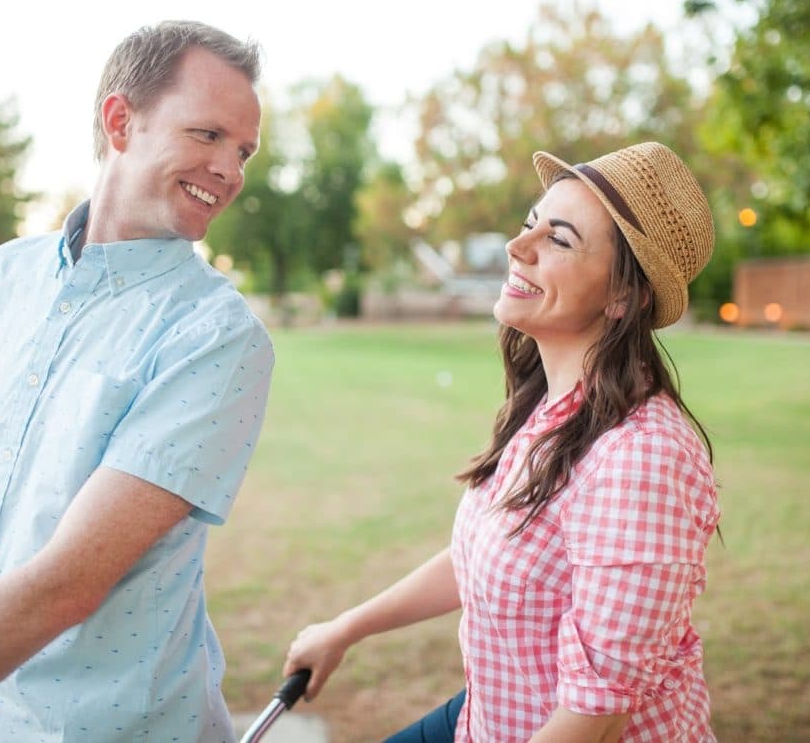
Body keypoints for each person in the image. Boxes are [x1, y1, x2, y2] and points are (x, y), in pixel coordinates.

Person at [0, 21, 273, 742]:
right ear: (121, 122)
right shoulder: (4, 275)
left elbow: (66, 584)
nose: (231, 169)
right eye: (208, 134)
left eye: (243, 150)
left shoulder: (218, 336)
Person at [284, 141, 721, 742]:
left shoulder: (641, 457)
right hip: (484, 721)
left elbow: (592, 718)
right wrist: (345, 628)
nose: (518, 248)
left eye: (559, 239)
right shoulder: (554, 408)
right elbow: (488, 558)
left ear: (624, 296)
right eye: (528, 224)